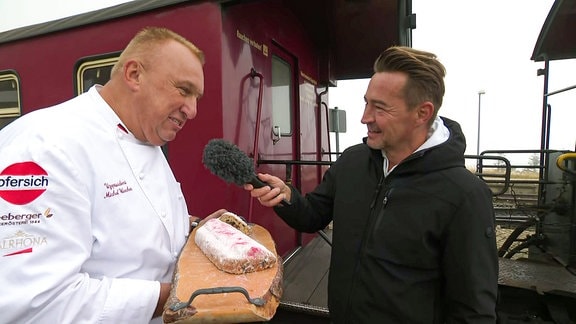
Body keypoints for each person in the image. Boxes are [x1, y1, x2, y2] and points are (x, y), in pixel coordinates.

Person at [245, 46, 499, 323]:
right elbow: (313, 214)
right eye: (367, 102)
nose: (365, 117)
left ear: (422, 113)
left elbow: (473, 310)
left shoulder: (465, 196)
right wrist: (286, 197)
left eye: (380, 107)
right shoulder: (354, 161)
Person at [0, 27, 226, 323]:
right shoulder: (45, 146)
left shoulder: (146, 136)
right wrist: (183, 296)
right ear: (134, 75)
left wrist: (195, 230)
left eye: (196, 96)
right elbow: (38, 302)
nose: (193, 110)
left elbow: (133, 225)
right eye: (183, 90)